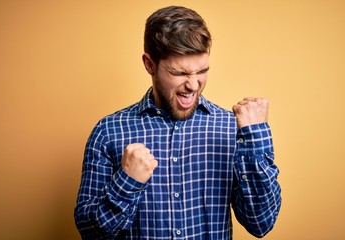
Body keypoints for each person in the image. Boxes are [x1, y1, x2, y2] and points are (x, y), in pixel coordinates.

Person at [74, 5, 281, 240]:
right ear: (150, 64)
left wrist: (255, 139)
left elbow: (261, 223)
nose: (193, 85)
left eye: (202, 71)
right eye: (180, 73)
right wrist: (127, 181)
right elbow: (90, 233)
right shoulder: (108, 132)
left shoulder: (232, 129)